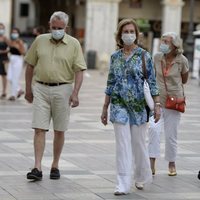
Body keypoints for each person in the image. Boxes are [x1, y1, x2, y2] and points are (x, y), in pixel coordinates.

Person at [101, 18, 160, 195]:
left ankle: (141, 176)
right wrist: (105, 107)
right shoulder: (115, 57)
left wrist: (157, 105)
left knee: (138, 144)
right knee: (122, 145)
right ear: (120, 35)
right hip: (119, 105)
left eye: (131, 32)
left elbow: (152, 81)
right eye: (125, 32)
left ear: (137, 34)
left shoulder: (144, 56)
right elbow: (110, 83)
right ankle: (122, 183)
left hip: (139, 107)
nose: (128, 35)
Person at [24, 11, 86, 181]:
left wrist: (75, 93)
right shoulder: (40, 41)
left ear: (66, 27)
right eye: (54, 27)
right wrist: (28, 90)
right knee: (39, 128)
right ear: (49, 25)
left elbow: (79, 70)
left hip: (63, 89)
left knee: (59, 130)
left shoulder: (74, 44)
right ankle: (37, 167)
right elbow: (29, 65)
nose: (56, 30)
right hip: (41, 88)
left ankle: (55, 165)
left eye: (60, 28)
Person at [148, 32, 189, 176]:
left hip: (174, 101)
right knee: (153, 130)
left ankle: (172, 163)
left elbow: (184, 80)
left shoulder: (182, 60)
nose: (163, 44)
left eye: (166, 42)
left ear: (175, 45)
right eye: (162, 41)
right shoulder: (157, 57)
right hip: (158, 101)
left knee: (171, 135)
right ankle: (151, 162)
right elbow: (152, 76)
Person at [7, 27, 25, 101]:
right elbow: (9, 50)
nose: (14, 34)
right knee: (9, 77)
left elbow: (23, 52)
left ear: (18, 34)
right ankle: (19, 89)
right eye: (13, 32)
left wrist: (17, 47)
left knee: (15, 78)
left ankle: (13, 95)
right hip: (11, 59)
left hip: (18, 60)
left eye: (15, 33)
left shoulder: (20, 42)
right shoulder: (11, 41)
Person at [0, 23, 9, 99]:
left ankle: (4, 91)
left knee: (4, 75)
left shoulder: (6, 38)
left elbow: (10, 48)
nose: (1, 30)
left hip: (3, 59)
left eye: (2, 28)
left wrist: (3, 51)